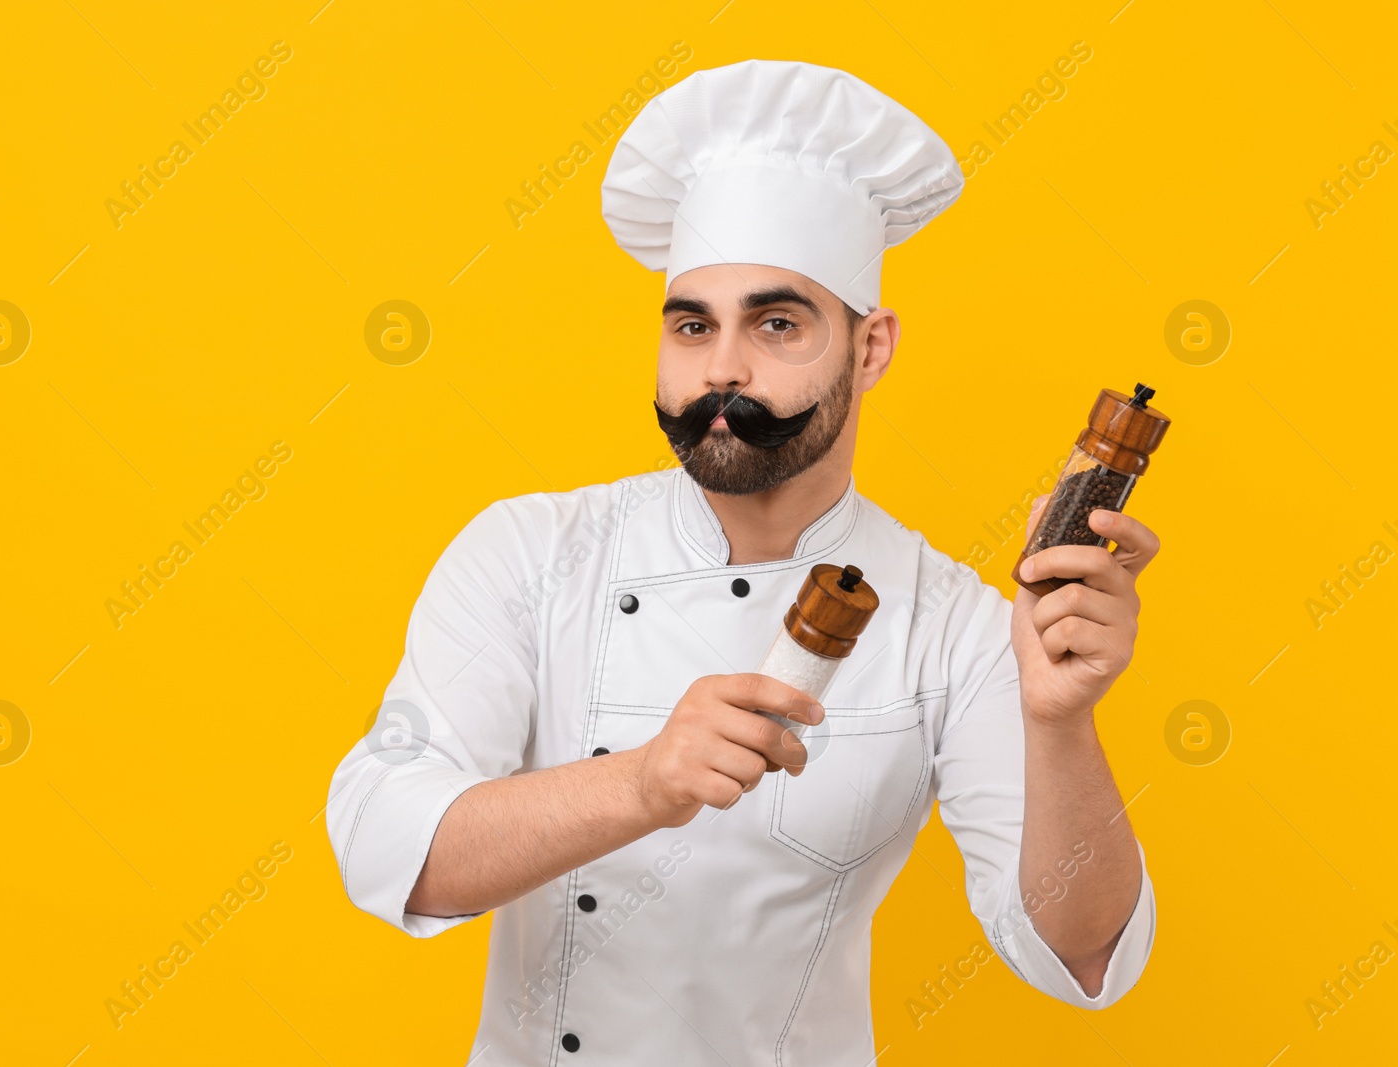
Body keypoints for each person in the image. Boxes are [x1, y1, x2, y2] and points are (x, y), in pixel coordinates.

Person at [325, 58, 1157, 1065]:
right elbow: (385, 843)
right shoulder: (531, 551)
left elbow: (1080, 947)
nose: (722, 367)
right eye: (691, 325)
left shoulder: (952, 622)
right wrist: (642, 783)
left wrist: (1058, 722)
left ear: (870, 347)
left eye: (775, 323)